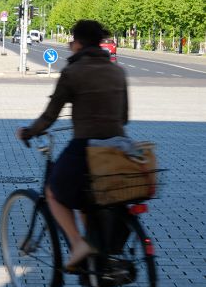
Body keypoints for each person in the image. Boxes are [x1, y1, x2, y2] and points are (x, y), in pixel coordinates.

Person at [16, 19, 128, 271]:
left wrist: (28, 132)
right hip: (119, 149)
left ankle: (79, 244)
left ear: (77, 43)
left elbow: (49, 117)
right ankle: (97, 256)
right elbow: (124, 117)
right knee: (90, 197)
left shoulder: (73, 72)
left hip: (87, 147)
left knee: (54, 191)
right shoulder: (117, 71)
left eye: (71, 41)